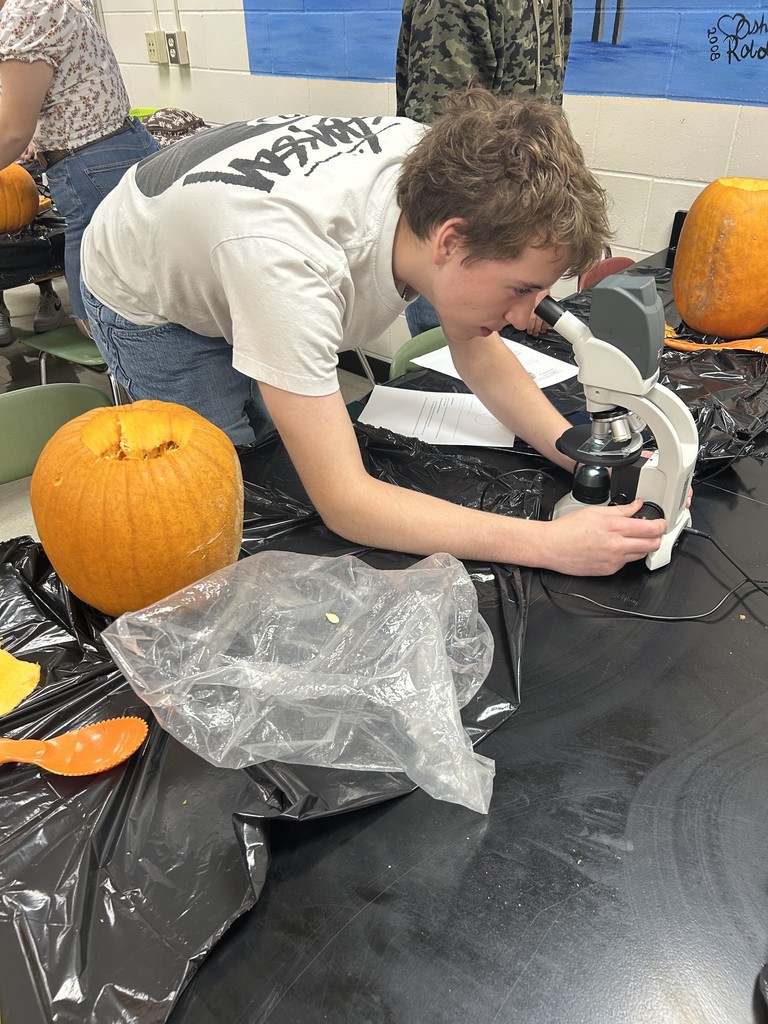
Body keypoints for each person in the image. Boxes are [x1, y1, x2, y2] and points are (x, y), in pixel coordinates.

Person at [80, 89, 669, 577]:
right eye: (520, 290)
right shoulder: (290, 264)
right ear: (450, 243)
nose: (527, 317)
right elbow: (346, 504)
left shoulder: (441, 172)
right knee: (229, 486)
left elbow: (479, 347)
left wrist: (578, 453)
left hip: (228, 240)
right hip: (144, 283)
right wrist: (549, 545)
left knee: (286, 439)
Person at [396, 0, 573, 337]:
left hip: (510, 250)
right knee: (447, 376)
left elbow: (544, 134)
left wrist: (534, 267)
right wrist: (520, 276)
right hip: (468, 240)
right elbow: (443, 157)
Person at [0, 0, 159, 334]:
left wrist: (21, 132)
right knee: (137, 306)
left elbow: (12, 131)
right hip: (118, 148)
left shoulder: (24, 12)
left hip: (90, 167)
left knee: (107, 322)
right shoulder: (46, 4)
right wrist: (38, 133)